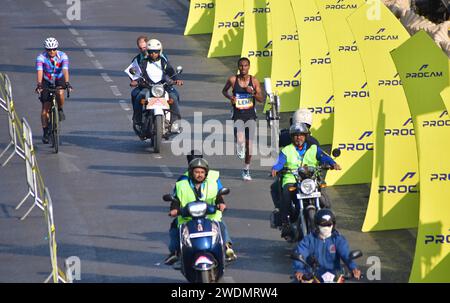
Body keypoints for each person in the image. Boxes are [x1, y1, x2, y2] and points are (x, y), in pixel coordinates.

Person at [271, 123, 341, 237]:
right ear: (292, 137)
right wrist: (275, 168)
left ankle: (331, 223)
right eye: (296, 135)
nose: (299, 138)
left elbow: (324, 157)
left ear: (306, 136)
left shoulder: (313, 148)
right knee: (286, 194)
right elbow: (280, 162)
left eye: (301, 135)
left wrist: (333, 163)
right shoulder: (286, 150)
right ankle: (286, 223)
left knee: (324, 198)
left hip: (312, 178)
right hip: (292, 179)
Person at [165, 158, 237, 266]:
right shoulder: (181, 184)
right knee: (175, 228)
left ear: (206, 173)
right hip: (187, 217)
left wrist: (221, 204)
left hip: (209, 216)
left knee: (221, 225)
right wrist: (174, 209)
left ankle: (227, 248)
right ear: (191, 172)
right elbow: (176, 200)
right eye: (197, 172)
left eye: (202, 172)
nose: (200, 175)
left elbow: (218, 197)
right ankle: (175, 253)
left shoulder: (212, 183)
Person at [222, 57, 264, 181]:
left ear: (249, 67)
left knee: (249, 146)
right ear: (238, 67)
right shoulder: (233, 79)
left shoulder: (254, 81)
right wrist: (230, 98)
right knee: (241, 140)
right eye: (241, 66)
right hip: (237, 115)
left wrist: (252, 93)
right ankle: (239, 146)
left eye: (245, 66)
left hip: (250, 115)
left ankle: (246, 170)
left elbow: (261, 99)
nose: (243, 68)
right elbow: (224, 91)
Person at [293, 209, 362, 282]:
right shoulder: (308, 240)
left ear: (333, 225)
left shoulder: (338, 239)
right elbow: (300, 253)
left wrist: (354, 268)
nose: (326, 228)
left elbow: (346, 255)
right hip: (312, 276)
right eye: (323, 225)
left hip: (335, 276)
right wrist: (299, 270)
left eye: (329, 225)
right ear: (317, 225)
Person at [134, 39, 182, 135]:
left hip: (163, 87)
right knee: (139, 97)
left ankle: (174, 124)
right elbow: (140, 73)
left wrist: (177, 79)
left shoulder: (164, 62)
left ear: (159, 51)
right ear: (148, 52)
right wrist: (136, 81)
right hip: (148, 87)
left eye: (156, 52)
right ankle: (138, 122)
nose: (153, 54)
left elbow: (171, 71)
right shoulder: (143, 62)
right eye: (151, 52)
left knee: (174, 97)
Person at [35, 37, 72, 144]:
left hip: (59, 78)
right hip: (46, 80)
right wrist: (39, 84)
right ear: (45, 49)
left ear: (57, 48)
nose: (52, 51)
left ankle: (59, 109)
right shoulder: (41, 57)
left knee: (60, 92)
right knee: (44, 110)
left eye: (54, 49)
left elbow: (65, 69)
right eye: (49, 49)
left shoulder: (63, 56)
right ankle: (45, 132)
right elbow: (40, 71)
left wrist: (67, 82)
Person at [129, 35, 169, 131]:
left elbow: (169, 71)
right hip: (146, 86)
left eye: (145, 48)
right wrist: (134, 81)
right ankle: (138, 120)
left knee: (174, 96)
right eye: (140, 48)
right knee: (136, 95)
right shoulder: (138, 59)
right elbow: (134, 74)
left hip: (161, 86)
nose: (143, 50)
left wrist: (174, 80)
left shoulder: (162, 58)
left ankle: (174, 122)